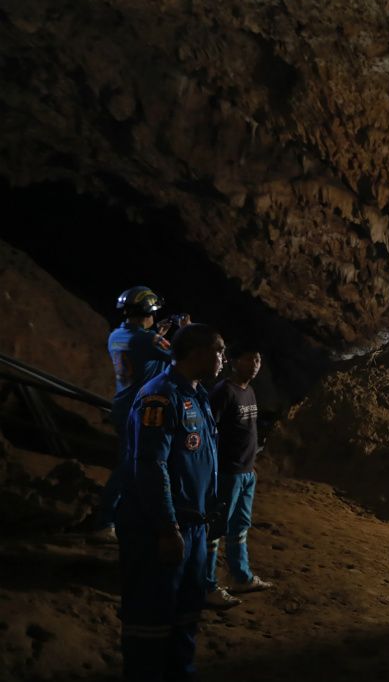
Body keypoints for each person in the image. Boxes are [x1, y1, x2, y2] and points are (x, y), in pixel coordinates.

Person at [116, 324, 224, 682]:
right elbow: (150, 466)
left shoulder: (199, 395)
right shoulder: (160, 397)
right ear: (196, 353)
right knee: (150, 621)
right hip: (159, 529)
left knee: (185, 617)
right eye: (218, 350)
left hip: (192, 527)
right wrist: (167, 528)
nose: (222, 359)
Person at [95, 286, 186, 542]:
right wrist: (185, 330)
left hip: (123, 406)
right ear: (148, 311)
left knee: (131, 464)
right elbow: (181, 356)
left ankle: (122, 517)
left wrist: (157, 335)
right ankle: (104, 522)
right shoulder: (148, 340)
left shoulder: (117, 335)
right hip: (139, 410)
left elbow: (142, 350)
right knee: (132, 467)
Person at [203, 348, 273, 609]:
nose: (255, 364)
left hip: (245, 473)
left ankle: (241, 577)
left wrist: (251, 465)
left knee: (240, 526)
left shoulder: (249, 391)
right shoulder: (224, 392)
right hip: (228, 472)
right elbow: (210, 431)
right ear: (233, 362)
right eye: (249, 358)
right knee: (216, 529)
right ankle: (206, 585)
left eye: (258, 359)